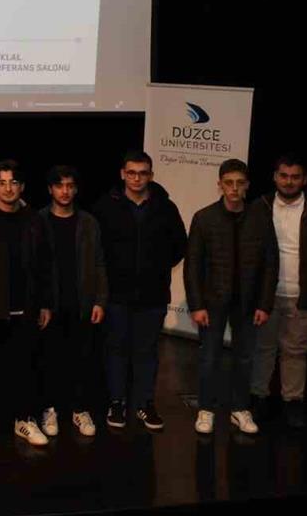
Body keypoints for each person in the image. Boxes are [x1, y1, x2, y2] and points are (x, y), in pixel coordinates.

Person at [92, 151, 187, 432]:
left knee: (147, 352)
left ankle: (145, 403)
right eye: (131, 173)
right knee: (116, 350)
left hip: (152, 295)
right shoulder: (105, 207)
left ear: (151, 175)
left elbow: (179, 246)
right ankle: (117, 403)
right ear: (122, 174)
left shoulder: (165, 207)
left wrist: (156, 269)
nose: (137, 178)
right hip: (116, 295)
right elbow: (97, 251)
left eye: (143, 173)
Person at [248, 154, 307, 429]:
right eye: (284, 176)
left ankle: (292, 402)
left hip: (305, 296)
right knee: (263, 348)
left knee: (296, 351)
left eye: (295, 177)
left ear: (304, 180)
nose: (289, 182)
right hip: (265, 296)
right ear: (275, 177)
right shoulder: (259, 207)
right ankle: (258, 398)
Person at [0, 160, 54, 447]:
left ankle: (24, 420)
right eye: (2, 183)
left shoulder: (34, 220)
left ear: (22, 186)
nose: (8, 188)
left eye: (13, 182)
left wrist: (45, 304)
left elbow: (45, 266)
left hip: (26, 307)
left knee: (25, 366)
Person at [185, 159, 276, 436]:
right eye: (228, 183)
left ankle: (240, 409)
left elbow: (270, 264)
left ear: (247, 185)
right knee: (209, 357)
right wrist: (197, 305)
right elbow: (192, 266)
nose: (234, 188)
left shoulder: (260, 218)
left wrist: (264, 304)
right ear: (220, 185)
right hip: (212, 302)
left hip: (249, 302)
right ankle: (206, 409)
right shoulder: (204, 218)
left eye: (239, 183)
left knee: (245, 358)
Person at [37, 166, 107, 438]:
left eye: (69, 186)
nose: (65, 191)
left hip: (82, 302)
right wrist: (39, 302)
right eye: (59, 186)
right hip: (49, 304)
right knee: (49, 359)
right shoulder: (39, 220)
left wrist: (100, 300)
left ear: (76, 189)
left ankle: (80, 410)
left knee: (82, 358)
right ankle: (50, 409)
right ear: (50, 189)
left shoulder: (88, 222)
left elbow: (99, 263)